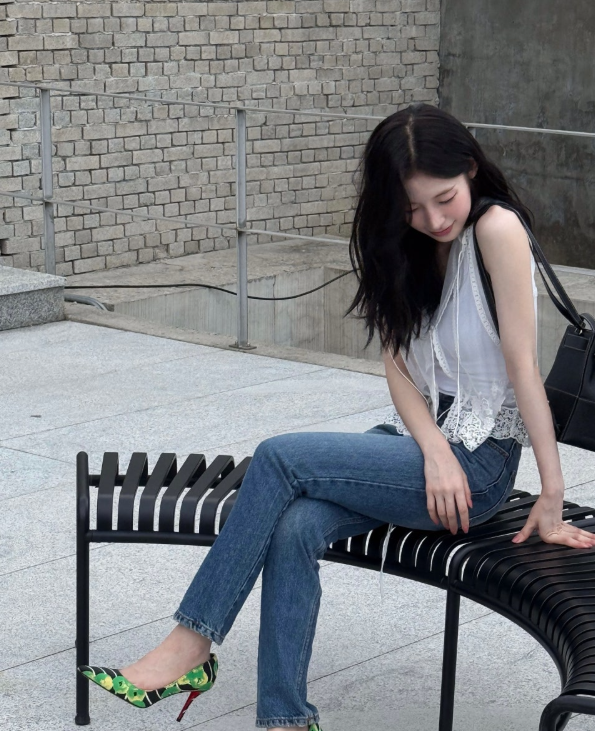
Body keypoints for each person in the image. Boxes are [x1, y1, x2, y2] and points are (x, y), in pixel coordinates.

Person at [78, 103, 595, 730]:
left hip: (479, 464)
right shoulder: (407, 246)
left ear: (470, 168)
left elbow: (523, 367)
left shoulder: (496, 228)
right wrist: (433, 450)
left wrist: (551, 493)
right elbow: (398, 368)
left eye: (444, 199)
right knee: (295, 526)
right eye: (413, 208)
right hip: (425, 447)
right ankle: (286, 720)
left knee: (280, 458)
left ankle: (190, 645)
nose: (434, 220)